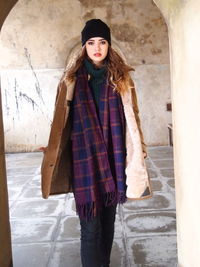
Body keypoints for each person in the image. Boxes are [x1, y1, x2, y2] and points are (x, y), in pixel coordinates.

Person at [41, 19, 152, 267]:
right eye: (91, 42)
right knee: (90, 226)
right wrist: (53, 147)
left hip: (114, 155)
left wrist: (139, 148)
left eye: (102, 41)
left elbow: (133, 116)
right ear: (84, 47)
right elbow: (60, 120)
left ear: (109, 45)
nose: (97, 47)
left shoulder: (121, 79)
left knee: (108, 221)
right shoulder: (71, 80)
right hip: (86, 160)